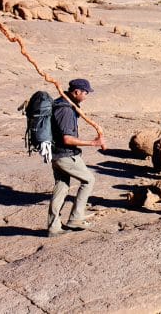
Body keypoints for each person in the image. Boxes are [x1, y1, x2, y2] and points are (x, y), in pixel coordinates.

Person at [48, 78, 106, 237]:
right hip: (65, 155)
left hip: (57, 154)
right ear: (76, 92)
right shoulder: (65, 110)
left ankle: (53, 227)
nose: (87, 95)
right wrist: (93, 143)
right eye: (86, 92)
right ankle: (76, 218)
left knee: (61, 187)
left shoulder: (62, 103)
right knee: (89, 180)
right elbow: (67, 139)